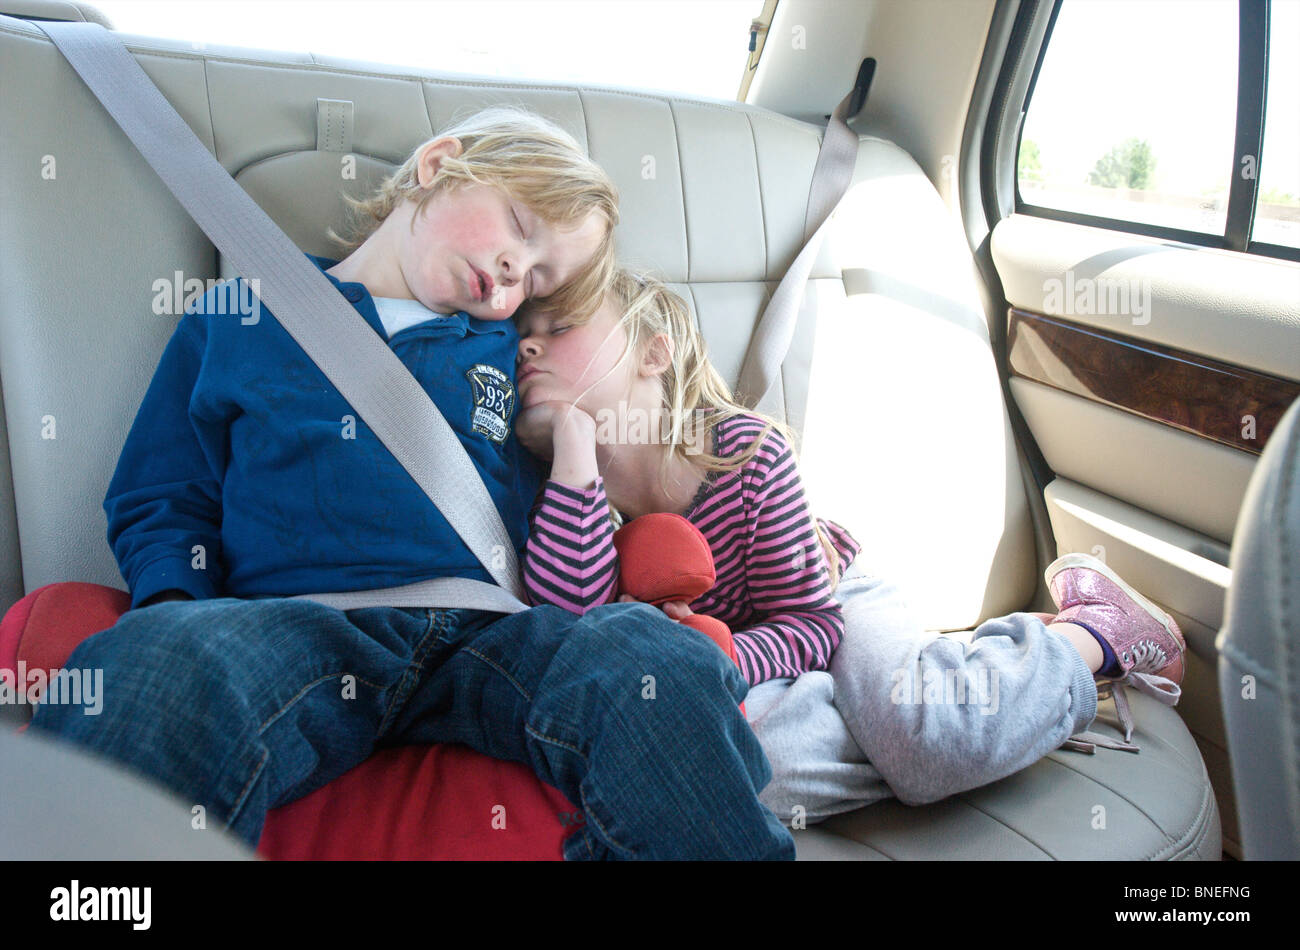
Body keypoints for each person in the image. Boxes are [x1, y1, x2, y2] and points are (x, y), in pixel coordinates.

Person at [28, 108, 795, 861]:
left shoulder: (507, 353)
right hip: (300, 625)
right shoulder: (243, 314)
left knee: (655, 661)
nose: (509, 279)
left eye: (535, 279)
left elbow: (576, 520)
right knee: (154, 667)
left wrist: (574, 439)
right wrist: (180, 610)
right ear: (437, 166)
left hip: (485, 634)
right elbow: (162, 497)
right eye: (520, 229)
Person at [513, 267, 1187, 824]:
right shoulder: (563, 500)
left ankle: (1090, 636)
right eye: (522, 336)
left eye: (559, 327)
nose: (527, 347)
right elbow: (570, 632)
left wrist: (718, 654)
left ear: (653, 354)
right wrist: (573, 451)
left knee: (926, 736)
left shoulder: (747, 456)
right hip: (746, 680)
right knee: (733, 768)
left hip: (830, 599)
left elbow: (810, 623)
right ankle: (981, 691)